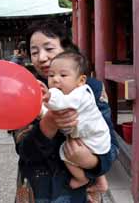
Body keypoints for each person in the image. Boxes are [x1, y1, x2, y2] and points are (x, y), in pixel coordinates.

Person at [13, 21, 118, 203]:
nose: (42, 58)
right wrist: (49, 124)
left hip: (78, 194)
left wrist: (92, 162)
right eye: (34, 52)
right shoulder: (24, 91)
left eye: (49, 48)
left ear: (66, 49)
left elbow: (111, 146)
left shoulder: (91, 89)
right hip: (37, 191)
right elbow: (25, 151)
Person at [40, 51, 110, 191]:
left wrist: (47, 98)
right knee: (85, 151)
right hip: (89, 136)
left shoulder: (80, 94)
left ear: (81, 81)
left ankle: (81, 178)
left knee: (64, 152)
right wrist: (41, 110)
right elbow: (51, 112)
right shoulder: (66, 94)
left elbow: (60, 104)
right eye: (51, 75)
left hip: (93, 137)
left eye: (63, 75)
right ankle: (101, 181)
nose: (55, 79)